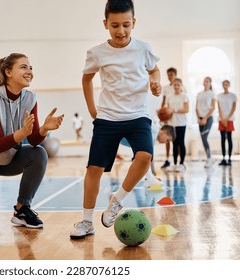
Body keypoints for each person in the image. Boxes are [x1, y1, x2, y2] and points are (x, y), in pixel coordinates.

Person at [70, 0, 162, 239]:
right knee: (94, 169)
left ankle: (117, 200)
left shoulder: (143, 48)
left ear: (134, 23)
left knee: (145, 156)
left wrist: (155, 81)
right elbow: (86, 79)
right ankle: (87, 221)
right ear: (105, 24)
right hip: (108, 117)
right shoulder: (97, 53)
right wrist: (92, 109)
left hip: (137, 115)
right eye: (115, 25)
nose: (121, 31)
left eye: (126, 25)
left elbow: (154, 69)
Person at [0, 53, 64, 230]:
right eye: (23, 67)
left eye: (31, 67)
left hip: (5, 160)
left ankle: (22, 209)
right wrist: (21, 132)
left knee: (38, 154)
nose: (29, 71)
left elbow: (33, 140)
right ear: (8, 72)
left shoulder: (30, 98)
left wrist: (44, 129)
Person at [166, 78, 189, 172]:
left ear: (181, 86)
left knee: (181, 143)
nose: (176, 86)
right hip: (172, 123)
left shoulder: (184, 96)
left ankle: (182, 164)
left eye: (178, 85)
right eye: (175, 85)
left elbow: (187, 110)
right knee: (174, 144)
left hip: (181, 123)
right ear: (172, 86)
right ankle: (175, 164)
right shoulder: (169, 97)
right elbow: (168, 111)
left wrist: (174, 110)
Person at [196, 76, 216, 168]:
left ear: (210, 83)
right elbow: (196, 107)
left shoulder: (212, 93)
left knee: (204, 138)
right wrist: (198, 118)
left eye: (207, 81)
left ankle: (209, 159)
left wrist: (205, 118)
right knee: (203, 139)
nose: (205, 83)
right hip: (200, 119)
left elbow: (213, 107)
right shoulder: (199, 94)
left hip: (208, 118)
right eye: (204, 81)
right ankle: (209, 159)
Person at [160, 67, 177, 169]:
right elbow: (163, 102)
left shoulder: (180, 86)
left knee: (176, 140)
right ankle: (167, 160)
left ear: (175, 75)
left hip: (176, 117)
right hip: (167, 116)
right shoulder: (166, 88)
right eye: (168, 75)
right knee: (167, 139)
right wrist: (161, 114)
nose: (169, 77)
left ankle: (176, 161)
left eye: (171, 74)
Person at [217, 80, 237, 166]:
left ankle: (229, 158)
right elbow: (219, 108)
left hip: (229, 119)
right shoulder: (219, 96)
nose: (225, 85)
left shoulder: (233, 96)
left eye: (226, 84)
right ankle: (223, 158)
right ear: (222, 85)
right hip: (221, 119)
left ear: (229, 85)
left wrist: (227, 118)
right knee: (222, 139)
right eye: (224, 84)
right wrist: (222, 118)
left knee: (229, 139)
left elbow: (233, 108)